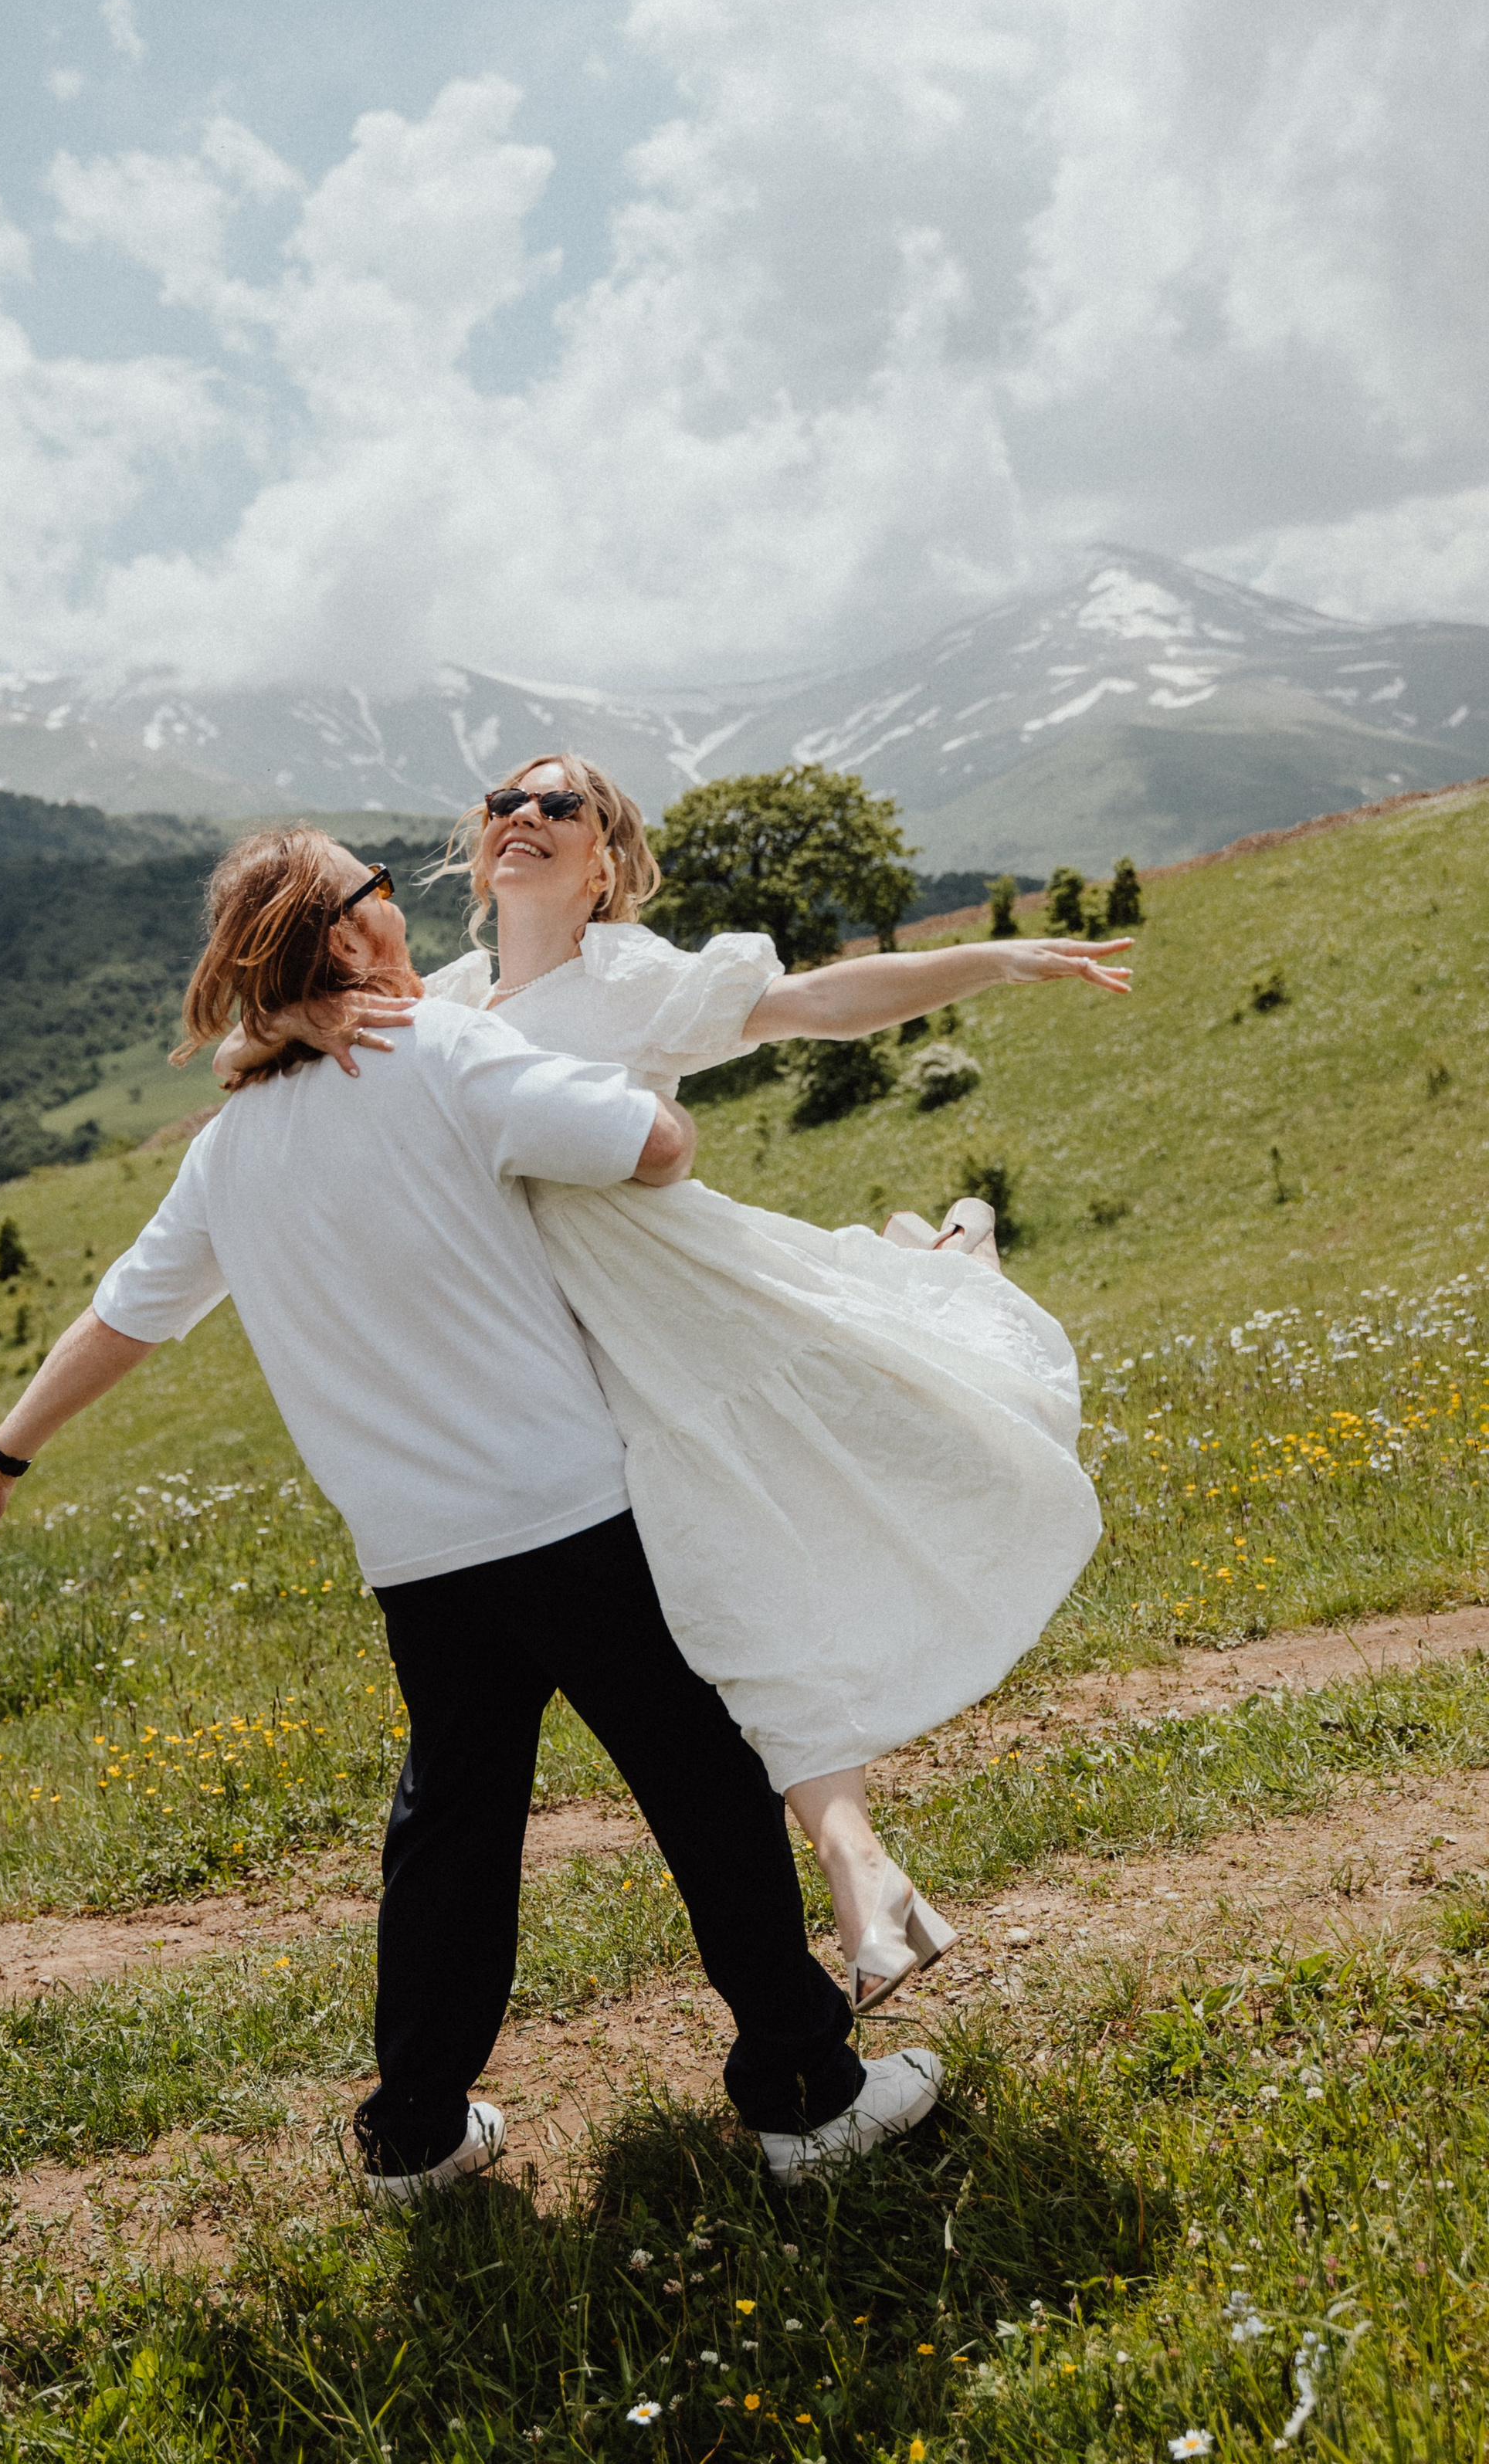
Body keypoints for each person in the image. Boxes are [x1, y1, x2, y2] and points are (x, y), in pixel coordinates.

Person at [0, 825, 942, 2201]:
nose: (398, 905)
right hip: (567, 1512)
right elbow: (660, 1147)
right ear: (354, 932)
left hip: (417, 1555)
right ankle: (807, 2095)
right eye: (377, 887)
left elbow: (126, 1315)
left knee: (454, 1829)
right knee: (703, 1783)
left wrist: (1, 1457)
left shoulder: (230, 1148)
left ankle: (417, 2134)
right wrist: (585, 1070)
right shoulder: (444, 1050)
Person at [216, 758, 1129, 2009]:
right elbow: (270, 1028)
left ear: (604, 864)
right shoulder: (453, 997)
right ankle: (863, 1869)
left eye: (562, 807)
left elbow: (818, 1004)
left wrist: (1000, 960)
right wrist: (286, 1024)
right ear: (479, 847)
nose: (525, 817)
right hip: (577, 1367)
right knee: (732, 1594)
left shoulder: (629, 976)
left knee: (791, 1512)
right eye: (505, 802)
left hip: (681, 1310)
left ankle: (953, 1255)